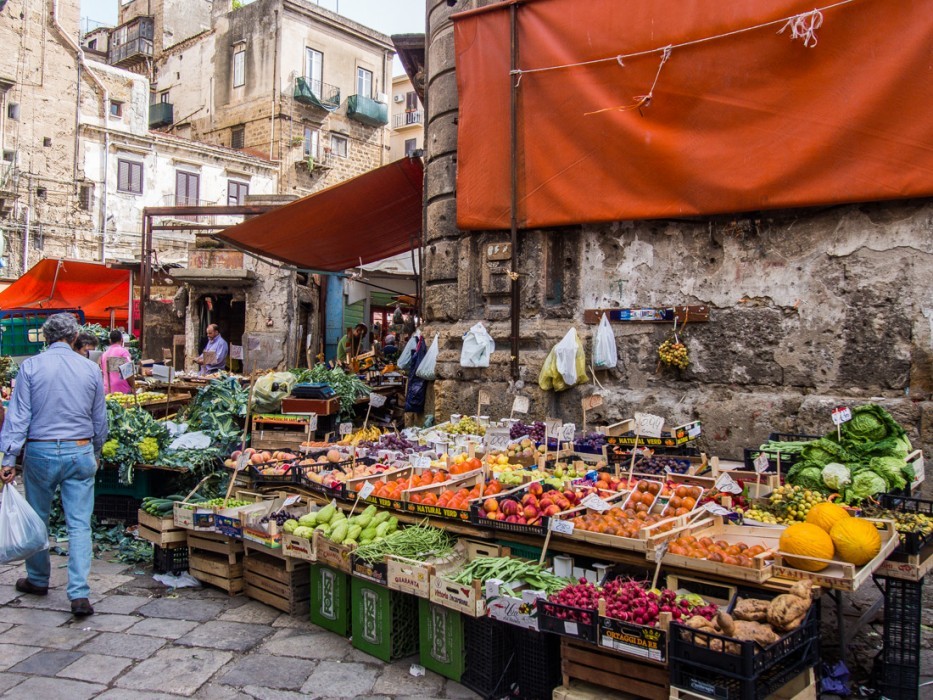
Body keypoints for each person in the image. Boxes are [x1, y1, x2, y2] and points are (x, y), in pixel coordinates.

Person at [0, 313, 107, 617]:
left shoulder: (30, 367)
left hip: (40, 453)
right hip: (79, 450)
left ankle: (37, 579)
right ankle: (79, 594)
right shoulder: (89, 369)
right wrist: (96, 450)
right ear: (75, 338)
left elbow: (18, 417)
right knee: (79, 524)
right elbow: (100, 419)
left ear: (46, 338)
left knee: (38, 518)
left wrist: (9, 458)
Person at [99, 329, 134, 394]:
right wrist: (133, 386)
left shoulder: (104, 354)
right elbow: (128, 373)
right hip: (121, 389)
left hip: (107, 389)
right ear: (122, 340)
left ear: (110, 341)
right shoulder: (123, 352)